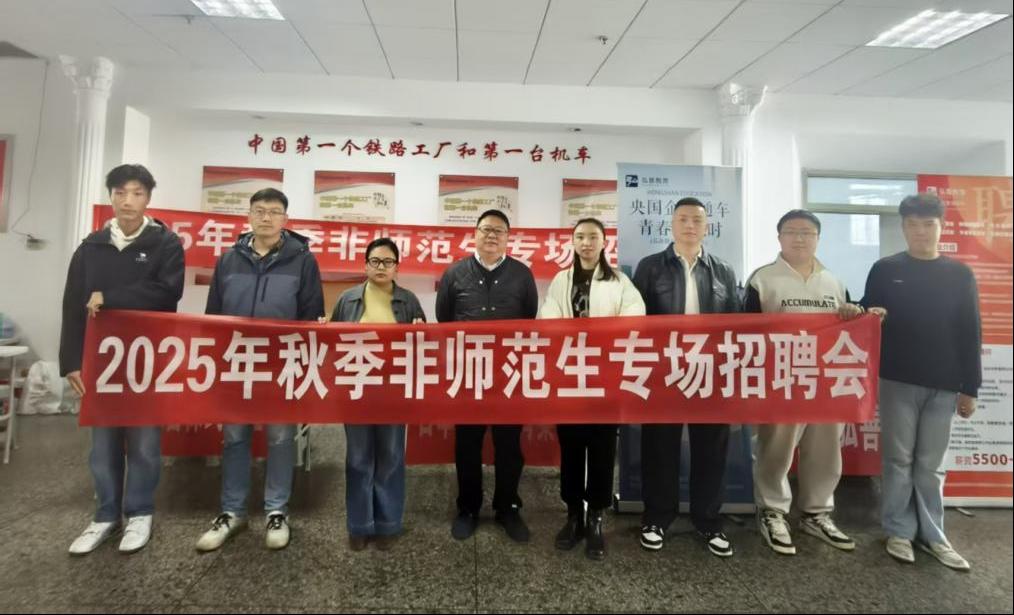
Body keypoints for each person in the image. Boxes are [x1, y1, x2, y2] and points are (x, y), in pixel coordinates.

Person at [61, 164, 185, 555]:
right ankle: (104, 515)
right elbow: (72, 305)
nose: (127, 201)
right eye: (120, 192)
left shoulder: (165, 243)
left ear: (148, 198)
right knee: (102, 446)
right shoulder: (91, 246)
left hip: (147, 360)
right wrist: (70, 361)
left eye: (136, 193)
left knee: (145, 443)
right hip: (100, 363)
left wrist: (111, 298)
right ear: (111, 196)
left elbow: (167, 294)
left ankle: (140, 513)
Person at [195, 188, 324, 552]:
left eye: (274, 211)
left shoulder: (303, 261)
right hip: (236, 363)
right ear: (248, 216)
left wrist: (302, 368)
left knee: (281, 438)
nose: (266, 217)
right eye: (260, 211)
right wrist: (214, 363)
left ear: (285, 218)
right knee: (235, 437)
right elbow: (214, 315)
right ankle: (232, 512)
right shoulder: (228, 260)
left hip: (281, 365)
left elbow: (310, 317)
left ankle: (276, 511)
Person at [862, 193, 980, 571]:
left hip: (944, 383)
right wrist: (868, 313)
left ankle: (933, 535)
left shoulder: (959, 274)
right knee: (898, 459)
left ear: (941, 227)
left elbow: (970, 331)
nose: (920, 232)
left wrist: (970, 387)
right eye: (912, 225)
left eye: (928, 224)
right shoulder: (885, 269)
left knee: (931, 464)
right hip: (897, 378)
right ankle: (898, 531)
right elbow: (866, 312)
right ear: (903, 228)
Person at [745, 209, 864, 556]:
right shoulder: (762, 279)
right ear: (779, 237)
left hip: (826, 382)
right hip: (781, 380)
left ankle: (816, 512)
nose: (799, 238)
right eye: (792, 231)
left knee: (825, 450)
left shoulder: (834, 281)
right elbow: (746, 332)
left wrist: (856, 313)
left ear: (818, 239)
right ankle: (772, 511)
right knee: (775, 449)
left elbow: (852, 326)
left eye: (807, 232)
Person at [632, 196, 741, 557]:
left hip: (709, 370)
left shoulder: (723, 270)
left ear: (707, 226)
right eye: (683, 219)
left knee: (711, 449)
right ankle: (656, 518)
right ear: (672, 224)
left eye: (697, 219)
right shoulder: (651, 267)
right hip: (664, 370)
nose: (690, 225)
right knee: (659, 447)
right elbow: (636, 321)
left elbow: (737, 323)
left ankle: (708, 521)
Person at [539, 217, 645, 560]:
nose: (586, 243)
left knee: (602, 449)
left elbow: (636, 314)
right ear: (573, 242)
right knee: (571, 448)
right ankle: (573, 515)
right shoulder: (561, 280)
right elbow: (548, 317)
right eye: (580, 237)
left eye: (593, 237)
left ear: (604, 243)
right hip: (570, 376)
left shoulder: (619, 281)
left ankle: (596, 517)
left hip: (605, 378)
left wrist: (601, 336)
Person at [436, 209, 538, 542]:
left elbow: (530, 319)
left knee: (509, 445)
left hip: (509, 375)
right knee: (468, 443)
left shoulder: (522, 275)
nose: (492, 235)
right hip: (468, 374)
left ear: (508, 237)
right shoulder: (454, 274)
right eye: (486, 229)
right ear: (475, 234)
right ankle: (467, 508)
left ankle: (507, 507)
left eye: (499, 231)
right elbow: (444, 319)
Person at [331, 238, 425, 551]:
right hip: (356, 391)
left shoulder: (408, 301)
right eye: (375, 261)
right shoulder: (347, 300)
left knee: (391, 456)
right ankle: (359, 525)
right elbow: (332, 345)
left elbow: (423, 346)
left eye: (387, 262)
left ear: (397, 267)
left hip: (394, 391)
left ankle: (387, 524)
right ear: (365, 265)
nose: (381, 267)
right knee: (358, 458)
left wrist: (421, 331)